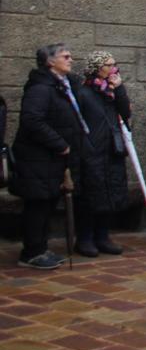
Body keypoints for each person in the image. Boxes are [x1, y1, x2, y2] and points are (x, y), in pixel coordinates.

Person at [12, 44, 83, 270]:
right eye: (65, 56)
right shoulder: (41, 88)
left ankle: (41, 248)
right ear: (50, 62)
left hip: (52, 159)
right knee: (38, 205)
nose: (71, 60)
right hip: (38, 158)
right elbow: (32, 120)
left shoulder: (61, 86)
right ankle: (31, 252)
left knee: (47, 203)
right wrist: (60, 144)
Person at [73, 51, 132, 257]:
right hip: (91, 151)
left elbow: (126, 113)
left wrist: (120, 89)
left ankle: (103, 236)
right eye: (109, 64)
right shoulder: (83, 92)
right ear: (97, 68)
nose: (114, 68)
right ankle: (85, 238)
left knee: (109, 194)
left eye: (115, 64)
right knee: (90, 196)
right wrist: (85, 146)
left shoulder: (112, 92)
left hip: (112, 149)